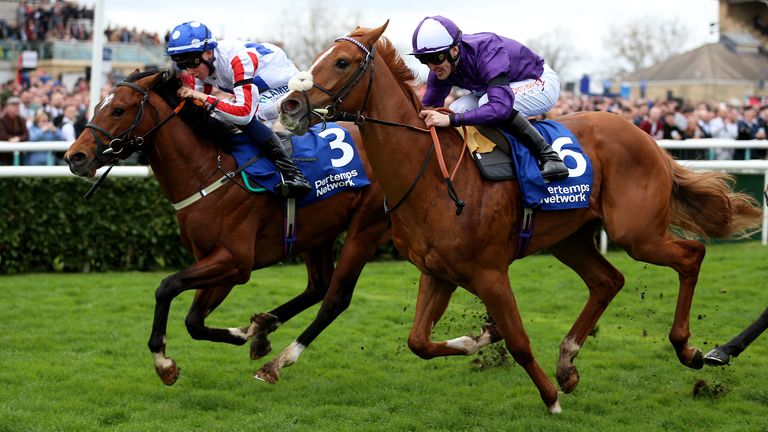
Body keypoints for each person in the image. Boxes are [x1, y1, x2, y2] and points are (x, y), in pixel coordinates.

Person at [410, 16, 568, 181]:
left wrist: (451, 120)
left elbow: (500, 107)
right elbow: (428, 109)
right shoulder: (440, 67)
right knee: (457, 109)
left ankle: (550, 156)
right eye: (424, 59)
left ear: (454, 50)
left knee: (486, 104)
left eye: (436, 57)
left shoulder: (488, 51)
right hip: (499, 87)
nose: (431, 66)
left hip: (539, 81)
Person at [166, 21, 311, 196]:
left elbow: (243, 115)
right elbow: (197, 111)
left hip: (285, 87)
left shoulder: (239, 59)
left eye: (190, 63)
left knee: (243, 115)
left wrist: (203, 97)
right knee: (218, 115)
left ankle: (294, 174)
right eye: (182, 66)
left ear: (207, 52)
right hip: (258, 89)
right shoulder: (201, 67)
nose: (189, 71)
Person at [0, 96, 30, 165]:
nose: (17, 108)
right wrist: (11, 138)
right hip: (3, 155)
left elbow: (26, 135)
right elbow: (2, 135)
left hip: (19, 153)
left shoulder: (21, 120)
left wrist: (18, 138)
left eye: (18, 106)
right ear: (7, 108)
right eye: (14, 106)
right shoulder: (1, 120)